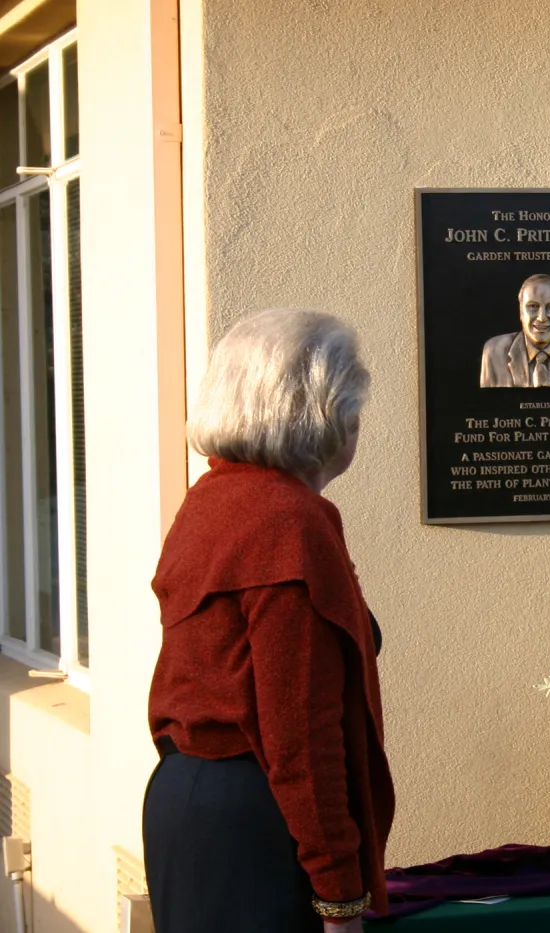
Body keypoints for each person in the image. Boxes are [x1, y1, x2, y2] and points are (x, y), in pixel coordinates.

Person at [144, 309, 395, 932]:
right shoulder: (289, 522)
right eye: (353, 405)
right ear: (324, 413)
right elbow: (299, 729)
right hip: (254, 821)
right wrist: (340, 896)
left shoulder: (209, 501)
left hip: (186, 797)